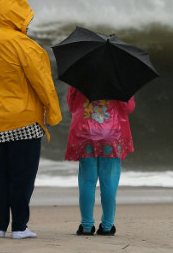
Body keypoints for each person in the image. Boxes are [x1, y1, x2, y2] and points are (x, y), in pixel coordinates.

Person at [0, 0, 62, 239]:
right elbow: (43, 83)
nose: (28, 23)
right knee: (21, 178)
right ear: (19, 18)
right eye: (26, 18)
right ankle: (20, 227)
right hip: (22, 121)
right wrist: (53, 114)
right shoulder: (27, 46)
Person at [65, 87, 135, 236]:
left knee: (87, 180)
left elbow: (71, 105)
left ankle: (86, 226)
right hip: (111, 133)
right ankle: (108, 226)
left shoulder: (80, 75)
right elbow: (129, 107)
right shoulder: (118, 79)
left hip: (85, 131)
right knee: (109, 180)